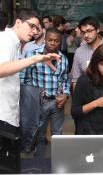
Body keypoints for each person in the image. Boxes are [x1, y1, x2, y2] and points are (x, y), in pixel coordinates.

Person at [0, 8, 60, 136]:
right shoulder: (5, 40)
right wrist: (35, 58)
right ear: (18, 23)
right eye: (32, 26)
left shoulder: (15, 43)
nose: (34, 32)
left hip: (8, 115)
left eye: (37, 29)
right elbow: (1, 69)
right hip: (2, 116)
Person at [20, 27, 70, 156]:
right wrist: (29, 99)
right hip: (38, 102)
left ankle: (59, 160)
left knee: (57, 133)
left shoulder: (63, 59)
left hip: (56, 102)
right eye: (50, 40)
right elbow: (23, 78)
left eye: (56, 41)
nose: (53, 43)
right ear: (45, 39)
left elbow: (65, 80)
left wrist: (65, 94)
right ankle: (39, 162)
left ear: (61, 41)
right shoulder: (33, 55)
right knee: (39, 133)